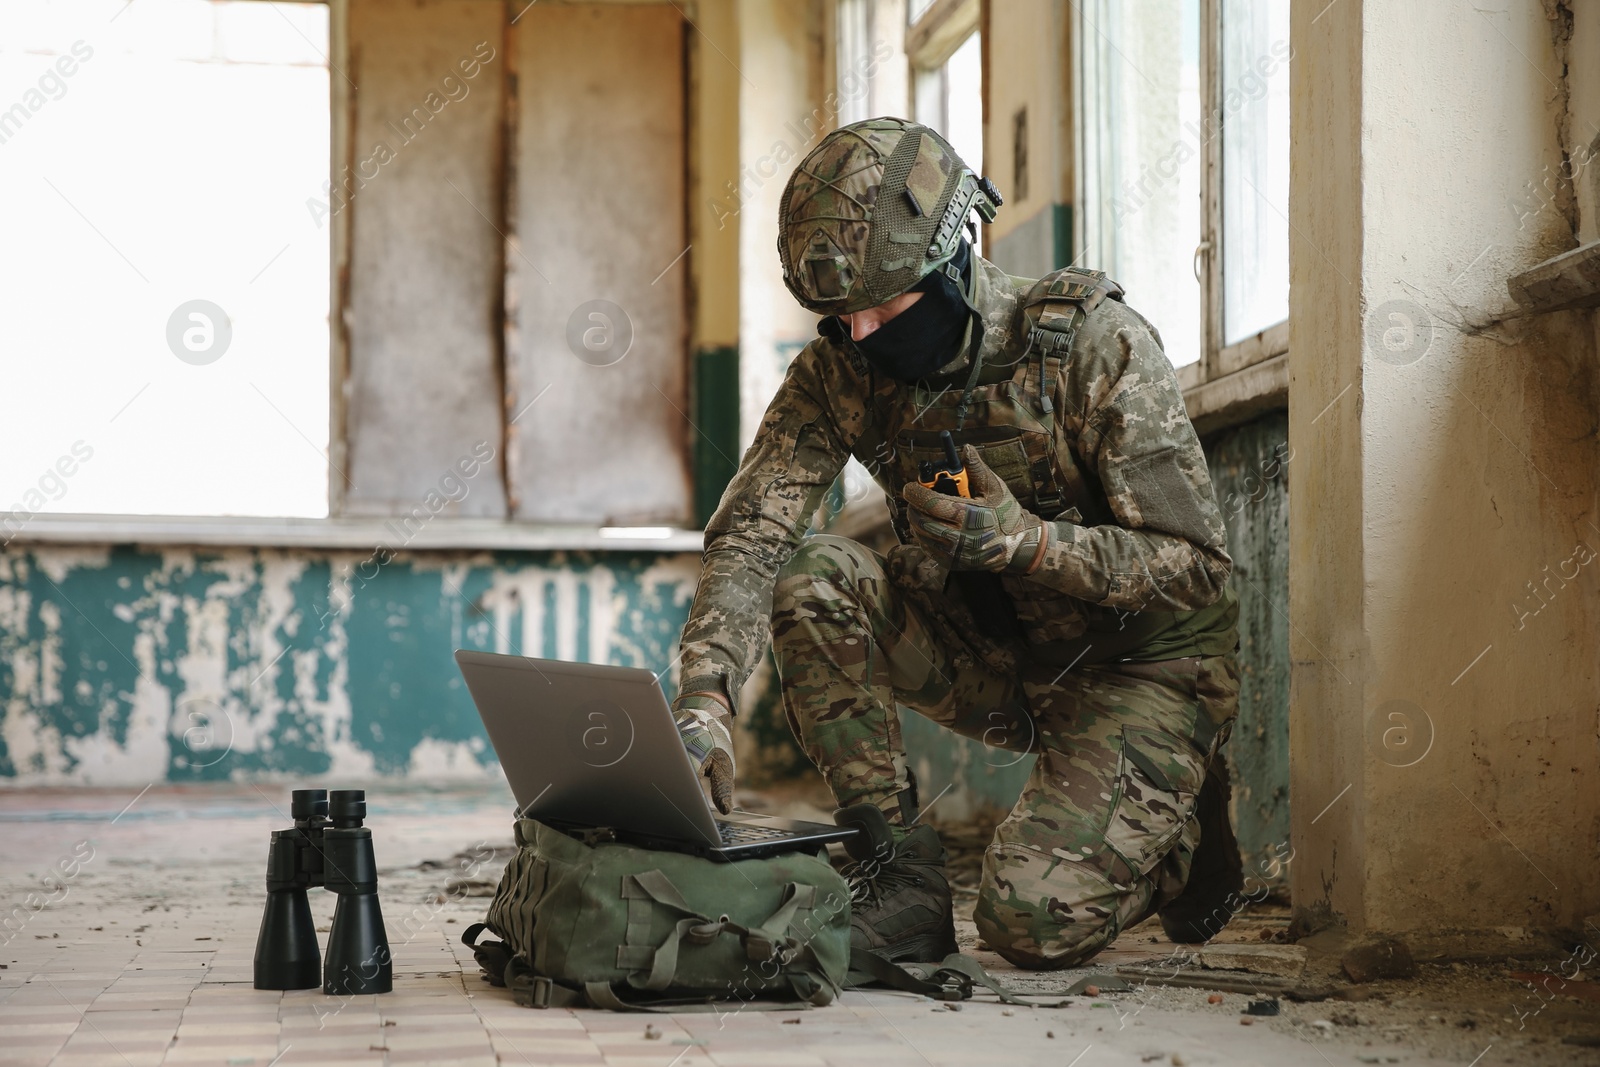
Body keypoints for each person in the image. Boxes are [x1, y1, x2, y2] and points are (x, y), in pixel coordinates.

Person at [673, 117, 1242, 969]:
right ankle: (895, 873)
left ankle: (1185, 836)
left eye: (880, 306)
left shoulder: (1092, 345)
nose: (858, 334)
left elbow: (1195, 569)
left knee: (1032, 925)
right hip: (1002, 651)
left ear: (948, 264)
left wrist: (1028, 543)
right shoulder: (844, 370)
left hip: (1144, 667)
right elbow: (756, 526)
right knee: (820, 577)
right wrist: (705, 701)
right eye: (838, 315)